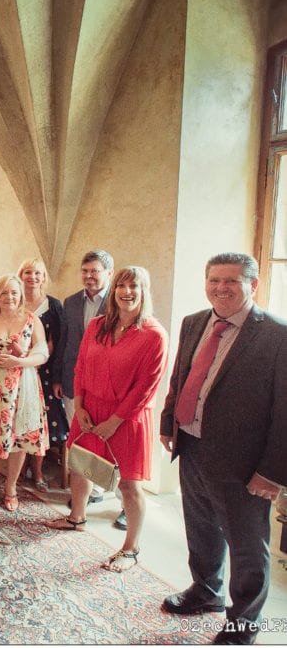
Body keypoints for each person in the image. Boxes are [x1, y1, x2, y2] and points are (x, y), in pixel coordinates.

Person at [159, 253, 287, 644]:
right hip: (193, 447)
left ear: (253, 284)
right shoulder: (194, 321)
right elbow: (179, 377)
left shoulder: (278, 335)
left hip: (245, 465)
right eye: (214, 280)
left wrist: (273, 473)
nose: (221, 288)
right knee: (200, 530)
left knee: (247, 547)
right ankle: (206, 591)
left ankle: (243, 623)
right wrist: (169, 422)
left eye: (231, 281)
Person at [49, 267, 168, 573]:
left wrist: (115, 421)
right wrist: (80, 404)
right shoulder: (98, 325)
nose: (127, 292)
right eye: (121, 286)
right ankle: (77, 517)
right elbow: (80, 366)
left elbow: (146, 387)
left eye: (134, 287)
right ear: (113, 291)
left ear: (145, 292)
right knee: (80, 465)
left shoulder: (154, 335)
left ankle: (131, 548)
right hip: (90, 409)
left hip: (128, 418)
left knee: (129, 485)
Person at [0, 275, 49, 513]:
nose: (9, 297)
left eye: (14, 292)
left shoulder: (32, 320)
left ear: (20, 295)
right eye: (4, 292)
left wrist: (21, 360)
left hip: (23, 387)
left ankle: (11, 488)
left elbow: (42, 352)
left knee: (20, 439)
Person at [52, 250, 118, 517]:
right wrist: (58, 376)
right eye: (85, 271)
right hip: (72, 380)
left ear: (109, 273)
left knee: (106, 438)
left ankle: (103, 489)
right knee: (81, 436)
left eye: (95, 271)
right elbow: (64, 342)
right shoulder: (71, 302)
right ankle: (90, 491)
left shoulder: (119, 301)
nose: (89, 276)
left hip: (106, 385)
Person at [18, 258, 67, 491]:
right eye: (28, 272)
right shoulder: (13, 301)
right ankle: (19, 467)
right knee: (19, 419)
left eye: (37, 273)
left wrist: (55, 376)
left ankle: (37, 472)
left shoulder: (54, 305)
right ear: (21, 275)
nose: (32, 277)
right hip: (16, 370)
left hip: (43, 373)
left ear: (44, 277)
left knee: (39, 423)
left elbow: (57, 342)